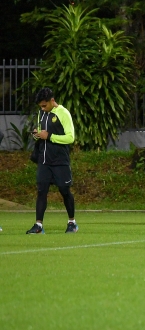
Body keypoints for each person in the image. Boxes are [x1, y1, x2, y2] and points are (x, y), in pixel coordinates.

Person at [26, 88, 77, 234]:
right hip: (44, 160)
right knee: (41, 191)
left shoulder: (63, 113)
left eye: (44, 105)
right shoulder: (42, 114)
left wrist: (49, 136)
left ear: (52, 101)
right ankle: (38, 225)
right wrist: (37, 134)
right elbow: (42, 132)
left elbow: (70, 137)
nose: (42, 108)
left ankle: (72, 223)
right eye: (40, 106)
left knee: (64, 190)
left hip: (60, 160)